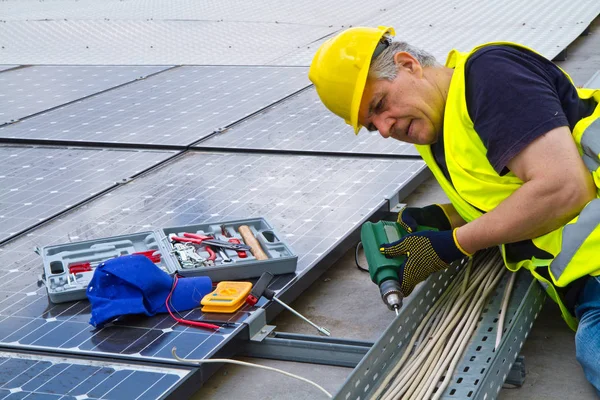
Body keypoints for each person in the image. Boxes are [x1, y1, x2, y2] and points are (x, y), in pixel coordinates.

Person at [308, 26, 600, 393]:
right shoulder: (439, 132)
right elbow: (510, 189)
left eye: (380, 105)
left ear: (408, 63)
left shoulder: (490, 74)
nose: (384, 129)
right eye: (371, 126)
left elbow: (564, 188)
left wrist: (453, 244)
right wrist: (441, 218)